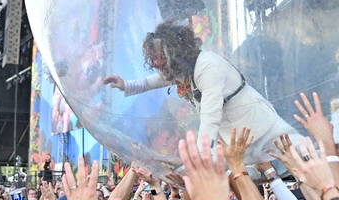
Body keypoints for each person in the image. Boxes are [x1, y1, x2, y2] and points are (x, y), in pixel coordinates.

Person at [103, 20, 296, 160]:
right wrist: (126, 85)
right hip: (240, 138)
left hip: (264, 128)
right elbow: (153, 81)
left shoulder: (207, 67)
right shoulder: (182, 68)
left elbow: (210, 118)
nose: (153, 63)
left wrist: (200, 158)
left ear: (173, 53)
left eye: (156, 57)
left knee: (306, 162)